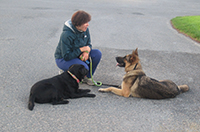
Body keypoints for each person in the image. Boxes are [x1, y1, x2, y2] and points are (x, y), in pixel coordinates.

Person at [54, 10, 102, 85]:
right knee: (83, 67)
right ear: (78, 24)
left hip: (77, 55)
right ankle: (65, 71)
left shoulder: (85, 30)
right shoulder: (66, 35)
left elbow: (88, 44)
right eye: (85, 23)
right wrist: (81, 50)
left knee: (97, 53)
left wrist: (86, 52)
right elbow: (66, 56)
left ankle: (87, 77)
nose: (88, 25)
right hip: (63, 59)